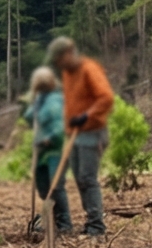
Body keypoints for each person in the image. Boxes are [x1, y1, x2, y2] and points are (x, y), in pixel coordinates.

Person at [49, 36, 114, 236]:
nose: (59, 65)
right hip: (75, 134)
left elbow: (106, 97)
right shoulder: (67, 74)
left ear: (69, 53)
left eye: (60, 60)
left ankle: (96, 226)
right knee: (79, 179)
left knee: (87, 178)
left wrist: (86, 115)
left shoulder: (89, 69)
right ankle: (90, 222)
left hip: (92, 132)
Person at [22, 67, 70, 236]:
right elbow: (29, 116)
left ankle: (64, 224)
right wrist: (34, 102)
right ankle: (50, 219)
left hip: (56, 149)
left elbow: (60, 126)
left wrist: (50, 138)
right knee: (43, 187)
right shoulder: (39, 100)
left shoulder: (56, 100)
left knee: (55, 186)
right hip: (41, 151)